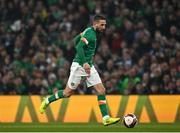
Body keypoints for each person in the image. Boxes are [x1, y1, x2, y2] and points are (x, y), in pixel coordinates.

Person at [39, 15, 120, 126]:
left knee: (101, 90)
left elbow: (75, 41)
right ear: (95, 24)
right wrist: (84, 62)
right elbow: (78, 47)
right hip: (79, 66)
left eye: (105, 25)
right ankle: (47, 100)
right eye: (102, 24)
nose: (104, 27)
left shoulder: (89, 31)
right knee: (67, 93)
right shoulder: (90, 34)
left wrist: (81, 36)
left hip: (89, 66)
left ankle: (105, 118)